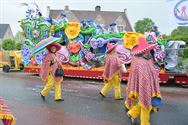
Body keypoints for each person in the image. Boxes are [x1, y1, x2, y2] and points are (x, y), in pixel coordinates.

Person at [124, 36, 161, 125]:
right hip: (143, 86)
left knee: (144, 102)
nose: (149, 51)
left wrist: (155, 77)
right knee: (146, 105)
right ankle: (144, 123)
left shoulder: (147, 59)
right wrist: (146, 87)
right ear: (143, 51)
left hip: (150, 86)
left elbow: (151, 71)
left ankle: (132, 113)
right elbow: (142, 76)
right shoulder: (140, 62)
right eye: (147, 50)